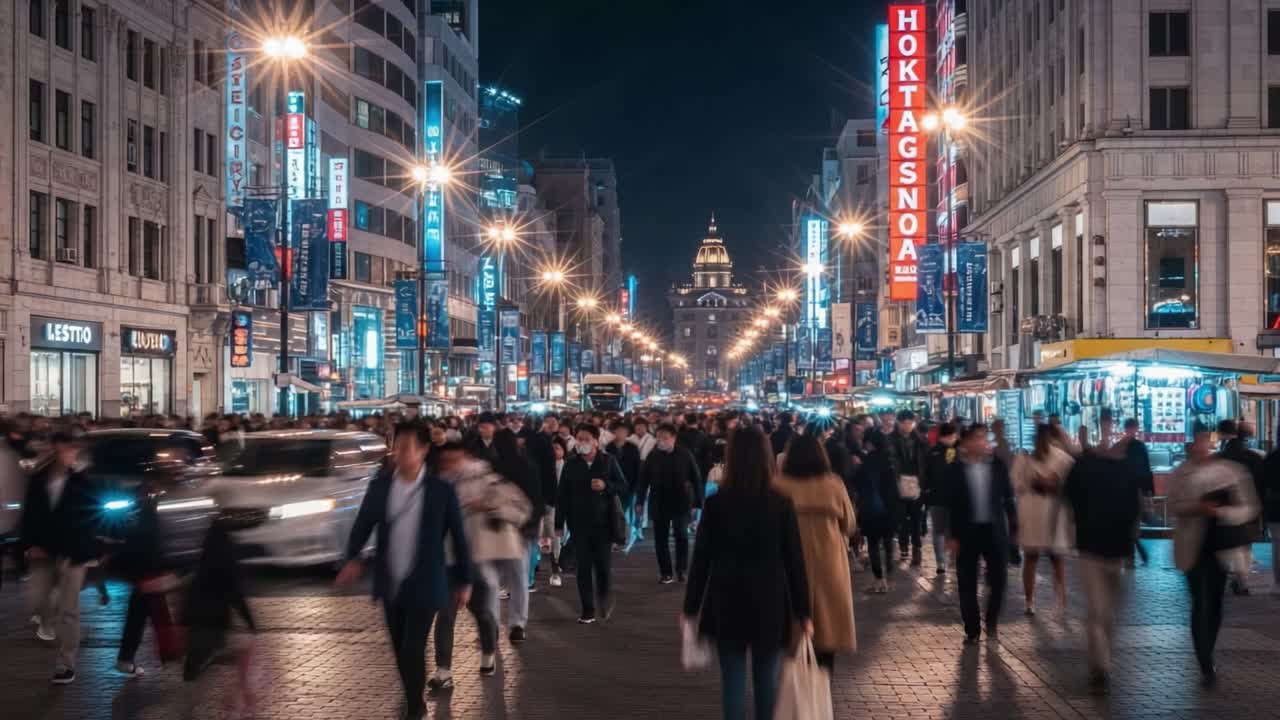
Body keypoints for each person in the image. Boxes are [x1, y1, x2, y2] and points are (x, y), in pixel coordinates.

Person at [337, 422, 473, 720]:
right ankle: (414, 695)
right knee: (400, 649)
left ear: (424, 450)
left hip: (426, 582)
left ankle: (414, 707)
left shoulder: (440, 490)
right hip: (390, 581)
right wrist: (352, 557)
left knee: (412, 647)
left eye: (409, 447)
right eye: (397, 446)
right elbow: (363, 524)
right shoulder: (381, 485)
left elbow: (459, 537)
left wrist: (464, 580)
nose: (402, 453)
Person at [683, 426, 812, 720]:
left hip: (727, 599)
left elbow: (702, 560)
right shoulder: (780, 503)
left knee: (732, 679)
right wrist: (804, 612)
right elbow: (794, 561)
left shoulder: (716, 504)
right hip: (769, 600)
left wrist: (691, 607)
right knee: (766, 679)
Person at [1168, 426, 1260, 688]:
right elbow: (1172, 505)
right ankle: (1205, 661)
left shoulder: (1229, 472)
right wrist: (1197, 508)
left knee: (1216, 602)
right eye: (1196, 442)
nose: (1200, 447)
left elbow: (1249, 507)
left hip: (1220, 546)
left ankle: (1208, 650)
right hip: (1192, 547)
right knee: (1200, 600)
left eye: (1204, 442)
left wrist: (1223, 512)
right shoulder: (1181, 473)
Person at [774, 433, 856, 676]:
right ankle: (821, 696)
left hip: (787, 564)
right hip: (829, 564)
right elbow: (849, 524)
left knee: (793, 633)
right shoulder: (833, 484)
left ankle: (796, 692)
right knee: (827, 631)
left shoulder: (778, 485)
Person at [1062, 446, 1141, 696]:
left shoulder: (1084, 468)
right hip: (1108, 549)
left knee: (1103, 611)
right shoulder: (1123, 469)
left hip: (1096, 546)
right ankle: (1102, 664)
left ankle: (1101, 661)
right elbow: (1135, 508)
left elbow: (1068, 498)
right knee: (1102, 611)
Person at [22, 432, 97, 684]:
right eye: (64, 450)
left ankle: (66, 664)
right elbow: (29, 514)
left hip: (72, 552)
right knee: (36, 600)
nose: (68, 455)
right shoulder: (39, 480)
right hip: (45, 549)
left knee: (69, 609)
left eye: (72, 450)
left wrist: (90, 551)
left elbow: (92, 517)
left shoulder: (81, 481)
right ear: (54, 450)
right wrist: (30, 544)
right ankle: (46, 621)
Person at [945, 424, 1018, 645]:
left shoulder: (998, 466)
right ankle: (972, 629)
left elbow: (1009, 498)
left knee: (999, 580)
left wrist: (1014, 528)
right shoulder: (956, 469)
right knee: (966, 582)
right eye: (977, 438)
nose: (982, 442)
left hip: (993, 531)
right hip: (966, 533)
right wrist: (952, 535)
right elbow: (953, 505)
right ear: (966, 443)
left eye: (984, 438)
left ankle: (992, 620)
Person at [556, 424, 627, 623]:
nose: (582, 443)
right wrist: (559, 524)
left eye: (586, 439)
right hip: (579, 524)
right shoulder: (571, 464)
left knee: (603, 567)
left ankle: (604, 597)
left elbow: (623, 487)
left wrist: (607, 486)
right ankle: (587, 609)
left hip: (603, 525)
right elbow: (562, 494)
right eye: (579, 439)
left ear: (596, 441)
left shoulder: (608, 461)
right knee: (583, 568)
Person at [1011, 425, 1074, 617]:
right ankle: (1030, 602)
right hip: (1032, 515)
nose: (1042, 443)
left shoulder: (1062, 458)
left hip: (1054, 517)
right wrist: (1033, 481)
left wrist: (1053, 483)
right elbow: (1015, 483)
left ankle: (1061, 602)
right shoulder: (1024, 459)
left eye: (1046, 439)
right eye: (1039, 439)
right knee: (1031, 557)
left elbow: (1071, 482)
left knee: (1057, 560)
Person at [638, 423, 705, 583]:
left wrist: (698, 503)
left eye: (665, 438)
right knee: (660, 539)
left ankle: (682, 569)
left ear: (673, 439)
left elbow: (696, 479)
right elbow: (643, 480)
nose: (661, 441)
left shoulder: (685, 455)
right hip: (658, 502)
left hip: (680, 501)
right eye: (658, 438)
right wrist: (640, 501)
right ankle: (666, 573)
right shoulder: (653, 456)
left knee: (681, 535)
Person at [489, 429, 539, 641]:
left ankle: (490, 624)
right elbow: (536, 498)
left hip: (496, 529)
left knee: (492, 579)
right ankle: (517, 623)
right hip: (520, 530)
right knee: (519, 577)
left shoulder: (492, 467)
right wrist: (531, 525)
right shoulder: (527, 465)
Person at [1214, 419, 1264, 595]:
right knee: (1245, 545)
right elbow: (1261, 484)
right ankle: (1241, 579)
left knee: (1227, 544)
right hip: (1249, 507)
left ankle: (1231, 576)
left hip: (1223, 508)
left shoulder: (1218, 458)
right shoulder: (1255, 457)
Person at [855, 429, 901, 592]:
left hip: (870, 511)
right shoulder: (889, 461)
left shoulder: (865, 462)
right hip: (889, 509)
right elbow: (895, 488)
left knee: (873, 545)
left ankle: (879, 580)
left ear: (869, 443)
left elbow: (858, 486)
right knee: (888, 542)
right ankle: (889, 575)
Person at [889, 410, 927, 566]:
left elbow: (926, 463)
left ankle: (917, 548)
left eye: (910, 423)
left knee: (917, 519)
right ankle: (904, 546)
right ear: (898, 423)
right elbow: (890, 461)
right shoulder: (891, 440)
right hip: (898, 483)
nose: (907, 426)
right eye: (904, 423)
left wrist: (925, 484)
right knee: (902, 518)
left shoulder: (921, 441)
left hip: (917, 483)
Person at [923, 422, 959, 576]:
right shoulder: (951, 451)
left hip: (937, 498)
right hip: (948, 498)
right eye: (953, 435)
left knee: (939, 531)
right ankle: (948, 560)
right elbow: (951, 472)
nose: (955, 438)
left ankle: (941, 562)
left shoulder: (933, 451)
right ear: (948, 436)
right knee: (948, 530)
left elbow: (926, 475)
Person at [1118, 418, 1154, 565]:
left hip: (1122, 491)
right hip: (1136, 489)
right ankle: (1135, 550)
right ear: (1136, 428)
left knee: (1126, 522)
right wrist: (1149, 490)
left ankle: (1131, 553)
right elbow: (1146, 469)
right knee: (1134, 522)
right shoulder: (1140, 447)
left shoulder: (1119, 446)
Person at [605, 421, 643, 551]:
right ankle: (614, 539)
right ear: (614, 432)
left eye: (624, 431)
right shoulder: (608, 448)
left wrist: (636, 487)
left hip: (629, 486)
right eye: (618, 431)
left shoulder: (632, 448)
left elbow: (638, 469)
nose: (621, 434)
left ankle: (626, 538)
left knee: (626, 514)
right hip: (613, 487)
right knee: (613, 514)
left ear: (627, 433)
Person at [1263, 425, 1280, 594]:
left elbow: (1263, 483)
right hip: (1275, 508)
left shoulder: (1271, 458)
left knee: (1277, 546)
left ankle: (1278, 583)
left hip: (1275, 509)